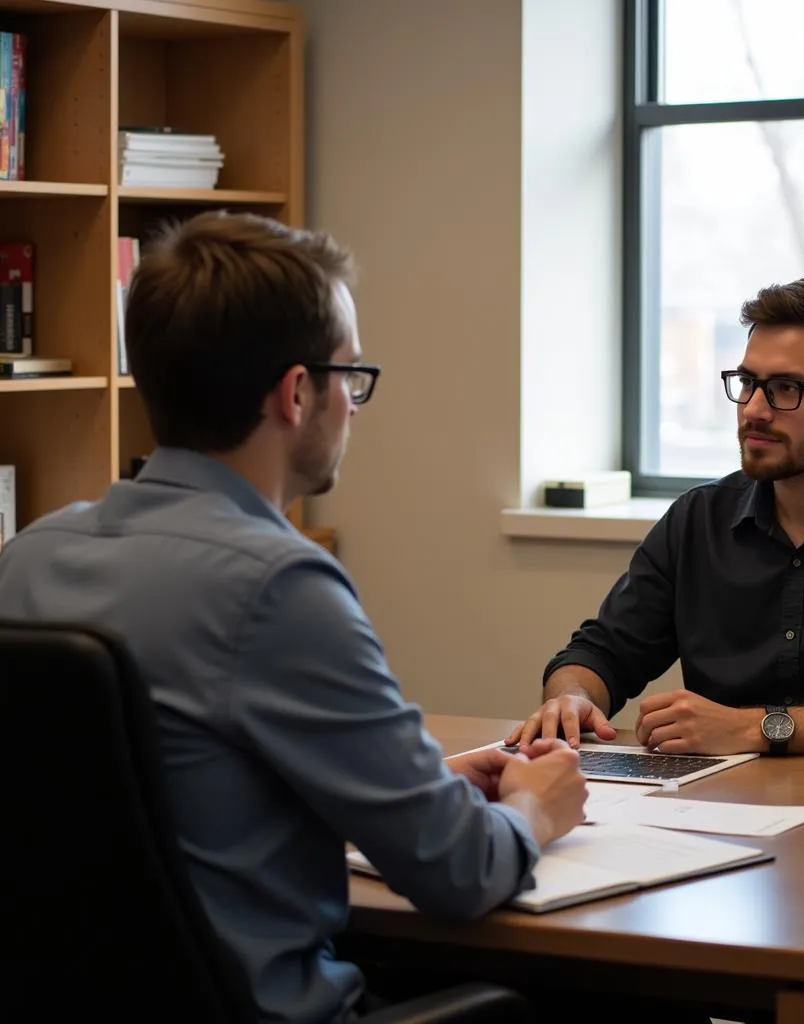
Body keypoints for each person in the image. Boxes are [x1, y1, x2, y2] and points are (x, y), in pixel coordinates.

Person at [0, 211, 587, 1023]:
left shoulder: (29, 556)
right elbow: (459, 874)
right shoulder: (278, 586)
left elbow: (157, 801)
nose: (355, 404)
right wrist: (534, 807)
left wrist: (398, 791)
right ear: (297, 391)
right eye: (351, 377)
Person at [507, 274, 804, 759]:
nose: (754, 409)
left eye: (786, 388)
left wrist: (759, 728)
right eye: (748, 383)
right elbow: (600, 653)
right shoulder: (699, 519)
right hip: (720, 812)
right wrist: (573, 697)